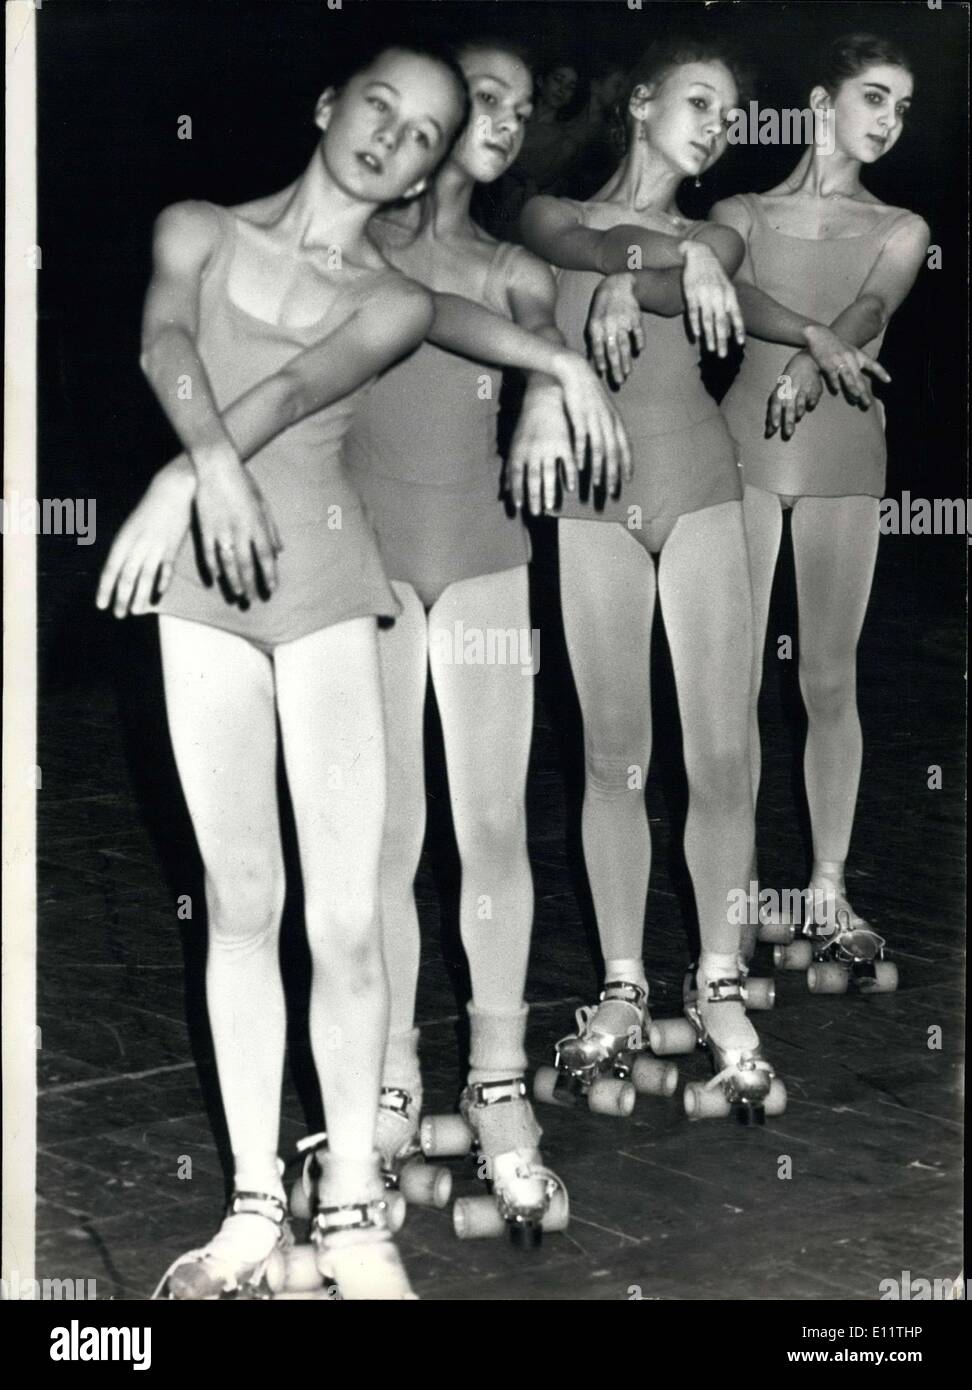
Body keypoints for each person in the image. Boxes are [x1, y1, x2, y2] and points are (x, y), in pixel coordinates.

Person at [97, 42, 472, 1300]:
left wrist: (187, 471)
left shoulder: (396, 296)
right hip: (199, 592)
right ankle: (258, 1206)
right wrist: (200, 468)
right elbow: (162, 347)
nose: (393, 137)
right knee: (242, 902)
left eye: (424, 133)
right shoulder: (195, 225)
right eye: (380, 104)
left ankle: (356, 1212)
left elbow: (307, 383)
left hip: (322, 587)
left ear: (428, 171)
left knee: (348, 915)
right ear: (327, 103)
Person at [345, 35, 628, 1239]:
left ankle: (501, 1081)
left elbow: (532, 327)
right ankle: (393, 1071)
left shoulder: (511, 261)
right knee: (387, 830)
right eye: (488, 100)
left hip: (483, 563)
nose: (508, 121)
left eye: (523, 108)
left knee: (492, 824)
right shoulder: (353, 244)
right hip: (366, 564)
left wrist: (542, 394)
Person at [517, 35, 822, 1119]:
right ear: (642, 101)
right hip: (592, 503)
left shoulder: (721, 232)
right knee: (613, 759)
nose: (718, 127)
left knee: (724, 754)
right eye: (700, 101)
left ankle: (722, 982)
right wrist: (630, 269)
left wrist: (664, 265)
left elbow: (704, 274)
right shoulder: (550, 213)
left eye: (732, 116)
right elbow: (572, 243)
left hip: (699, 485)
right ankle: (621, 988)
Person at [710, 32, 929, 983]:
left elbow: (874, 310)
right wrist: (802, 344)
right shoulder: (740, 211)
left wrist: (814, 360)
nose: (889, 120)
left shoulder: (902, 225)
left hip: (843, 448)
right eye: (874, 97)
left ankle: (829, 889)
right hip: (740, 454)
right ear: (819, 101)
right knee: (732, 685)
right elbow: (730, 290)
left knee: (827, 681)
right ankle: (741, 888)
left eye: (904, 107)